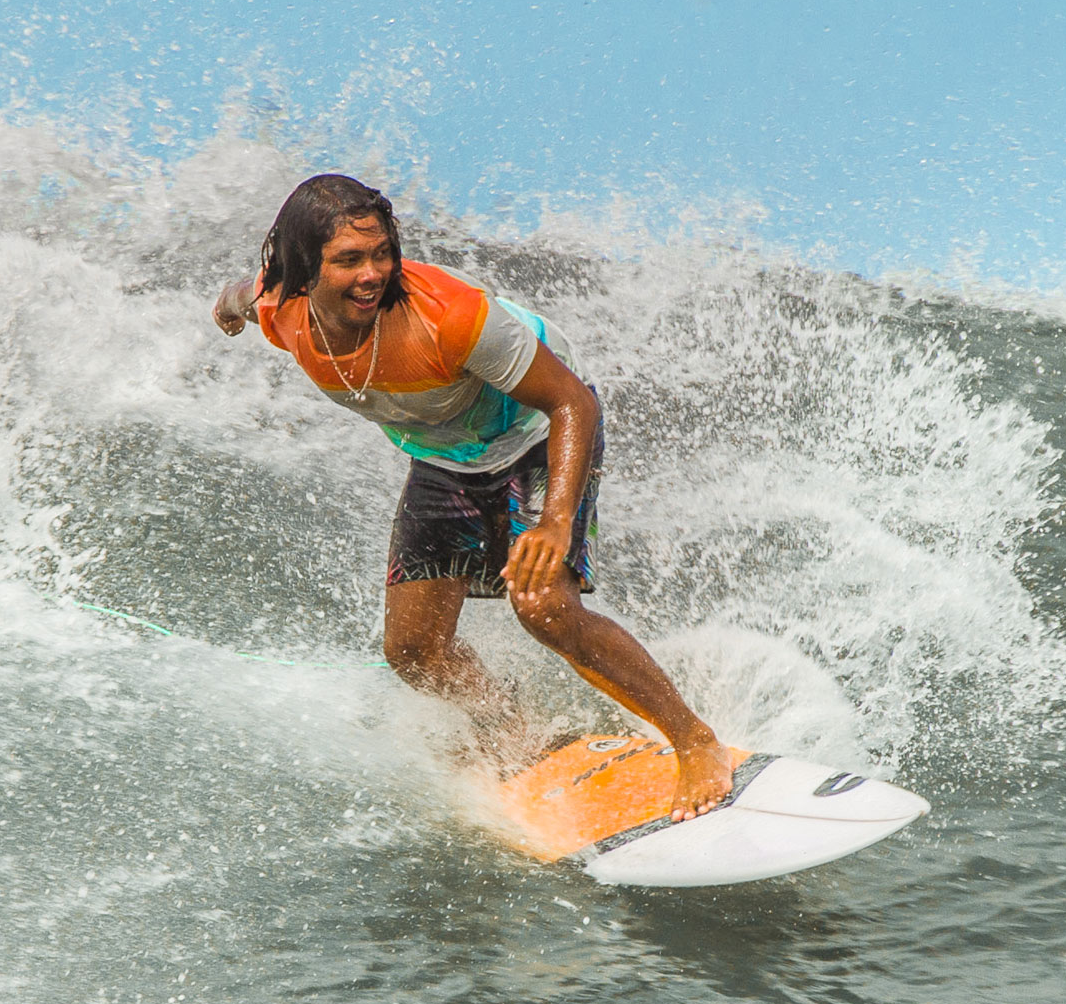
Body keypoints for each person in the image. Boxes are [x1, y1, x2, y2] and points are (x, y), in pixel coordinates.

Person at [212, 174, 732, 820]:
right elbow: (245, 293)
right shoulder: (282, 308)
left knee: (543, 606)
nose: (372, 274)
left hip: (536, 430)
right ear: (303, 272)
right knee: (413, 650)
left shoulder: (447, 319)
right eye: (348, 260)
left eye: (382, 254)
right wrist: (228, 308)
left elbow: (571, 401)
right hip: (446, 456)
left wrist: (556, 525)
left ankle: (694, 739)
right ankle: (519, 733)